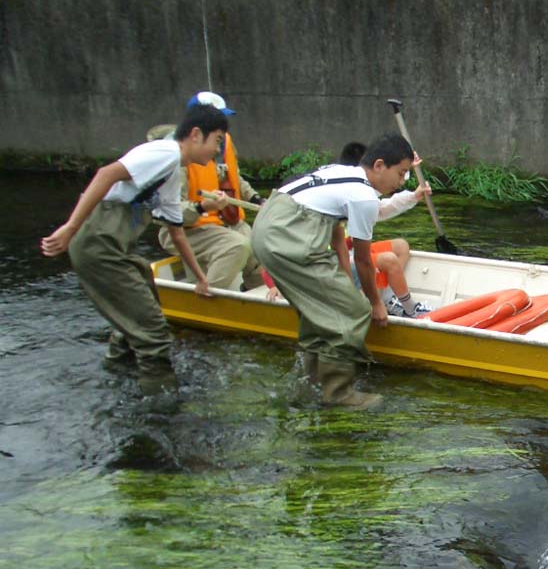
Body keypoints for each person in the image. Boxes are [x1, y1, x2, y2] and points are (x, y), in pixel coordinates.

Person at [40, 103, 225, 393]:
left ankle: (117, 373)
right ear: (196, 134)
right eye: (217, 140)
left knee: (145, 292)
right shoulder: (164, 153)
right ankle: (161, 405)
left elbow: (176, 233)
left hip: (115, 248)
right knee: (153, 332)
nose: (218, 150)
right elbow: (105, 174)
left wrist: (201, 278)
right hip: (97, 243)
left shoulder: (172, 172)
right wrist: (70, 228)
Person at [251, 133, 414, 407]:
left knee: (319, 312)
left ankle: (313, 382)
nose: (401, 182)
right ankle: (339, 394)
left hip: (266, 229)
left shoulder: (341, 172)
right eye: (401, 174)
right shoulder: (364, 197)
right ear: (378, 165)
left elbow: (336, 234)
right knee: (352, 310)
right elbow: (363, 259)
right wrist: (375, 303)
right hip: (288, 235)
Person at [155, 92, 265, 291]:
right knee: (237, 246)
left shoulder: (220, 144)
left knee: (259, 245)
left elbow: (233, 177)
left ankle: (260, 297)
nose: (221, 122)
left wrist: (257, 199)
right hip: (189, 227)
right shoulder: (178, 160)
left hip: (219, 220)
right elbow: (169, 214)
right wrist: (201, 206)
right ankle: (208, 298)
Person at [336, 141, 432, 319]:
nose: (402, 180)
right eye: (401, 174)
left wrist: (413, 196)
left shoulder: (362, 192)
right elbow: (353, 255)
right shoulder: (350, 192)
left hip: (351, 252)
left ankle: (387, 298)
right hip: (338, 262)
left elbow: (380, 209)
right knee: (388, 260)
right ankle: (409, 309)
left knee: (400, 246)